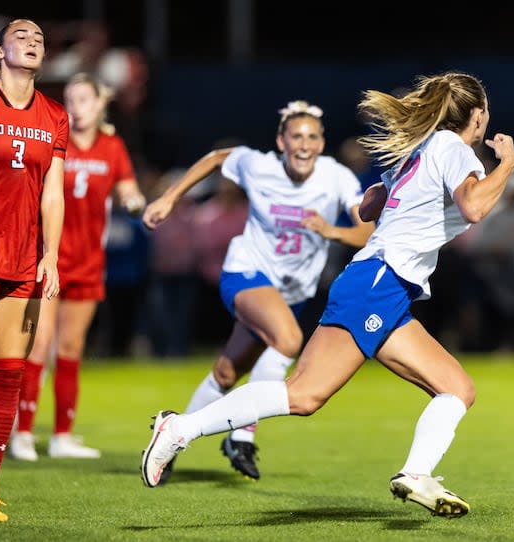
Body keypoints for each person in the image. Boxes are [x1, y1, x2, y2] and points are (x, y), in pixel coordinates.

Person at [141, 71, 514, 519]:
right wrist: (507, 165)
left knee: (456, 387)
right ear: (478, 115)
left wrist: (393, 192)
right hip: (379, 282)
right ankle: (181, 427)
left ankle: (416, 474)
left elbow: (369, 208)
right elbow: (473, 206)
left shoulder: (424, 149)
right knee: (304, 395)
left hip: (386, 287)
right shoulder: (453, 148)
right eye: (486, 109)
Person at [142, 100, 374, 481]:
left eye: (312, 137)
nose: (304, 144)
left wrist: (332, 231)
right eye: (295, 136)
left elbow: (366, 230)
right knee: (288, 339)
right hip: (247, 273)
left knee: (227, 372)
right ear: (280, 142)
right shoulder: (258, 165)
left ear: (321, 142)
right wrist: (169, 197)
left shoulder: (335, 176)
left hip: (293, 292)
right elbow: (218, 158)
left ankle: (170, 441)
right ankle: (242, 435)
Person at [0, 18, 68, 521]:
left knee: (8, 377)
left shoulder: (54, 116)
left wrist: (51, 253)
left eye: (39, 38)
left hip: (23, 261)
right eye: (21, 35)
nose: (33, 41)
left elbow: (53, 189)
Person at [9, 72, 146, 462]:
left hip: (89, 262)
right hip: (49, 259)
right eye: (70, 99)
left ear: (101, 103)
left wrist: (137, 203)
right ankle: (21, 434)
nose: (76, 107)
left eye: (84, 99)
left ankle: (62, 435)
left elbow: (127, 190)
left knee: (71, 348)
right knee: (38, 345)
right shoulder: (55, 139)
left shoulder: (113, 146)